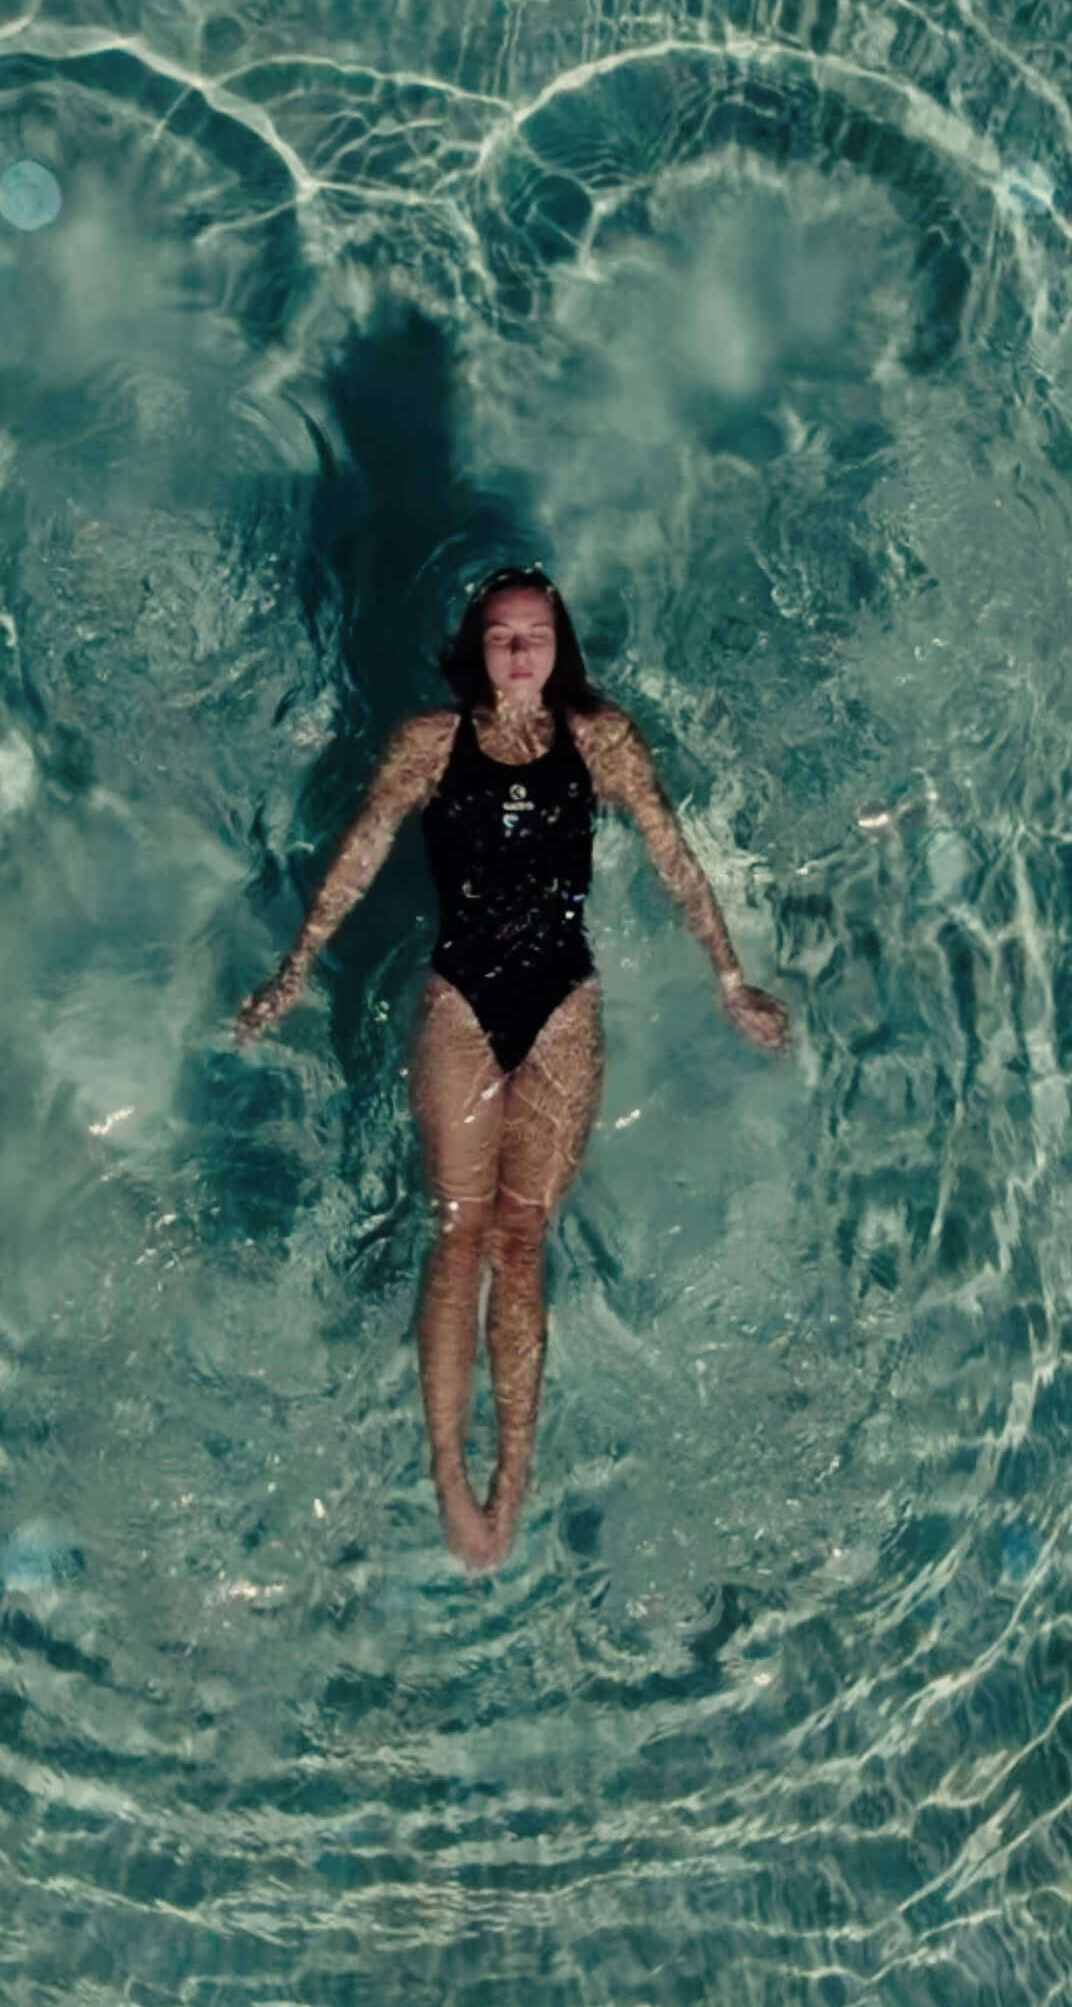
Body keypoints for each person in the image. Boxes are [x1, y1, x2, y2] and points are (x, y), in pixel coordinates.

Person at [234, 566, 789, 1568]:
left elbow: (673, 856)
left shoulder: (603, 741)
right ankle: (449, 1469)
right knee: (460, 1232)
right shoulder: (428, 744)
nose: (521, 651)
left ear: (560, 644)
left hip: (563, 1004)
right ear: (477, 648)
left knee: (522, 1238)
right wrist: (292, 973)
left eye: (537, 633)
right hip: (459, 998)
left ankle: (516, 1468)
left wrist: (730, 979)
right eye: (502, 635)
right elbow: (359, 852)